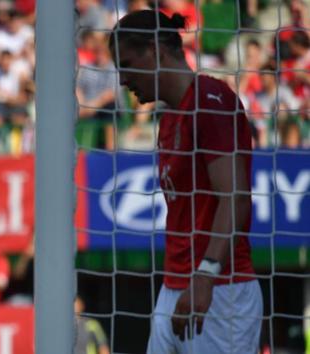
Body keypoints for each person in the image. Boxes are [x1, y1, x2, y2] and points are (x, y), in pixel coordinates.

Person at [109, 10, 262, 353]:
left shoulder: (210, 100)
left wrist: (205, 275)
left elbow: (235, 195)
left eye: (126, 64)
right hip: (175, 285)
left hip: (221, 290)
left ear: (155, 51)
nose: (122, 79)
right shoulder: (168, 120)